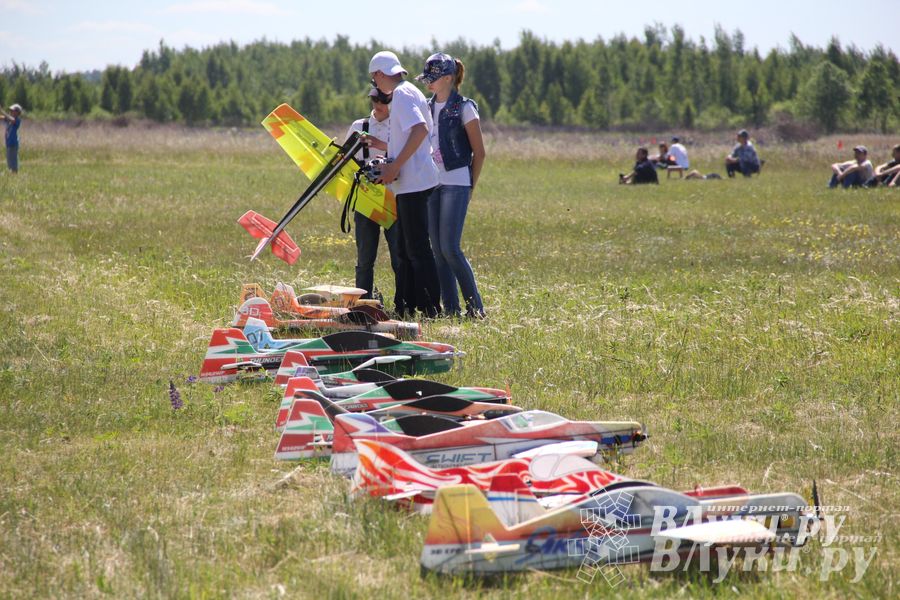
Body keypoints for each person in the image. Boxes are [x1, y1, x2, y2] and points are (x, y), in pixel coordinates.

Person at [369, 50, 442, 317]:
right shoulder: (408, 91)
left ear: (379, 75)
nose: (375, 84)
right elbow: (412, 135)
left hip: (414, 182)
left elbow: (420, 129)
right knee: (407, 248)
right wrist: (391, 161)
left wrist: (395, 166)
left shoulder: (401, 94)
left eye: (374, 78)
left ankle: (432, 308)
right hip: (410, 181)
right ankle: (407, 306)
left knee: (417, 249)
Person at [417, 52, 486, 319]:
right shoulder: (425, 106)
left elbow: (479, 153)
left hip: (456, 183)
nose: (428, 84)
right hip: (431, 184)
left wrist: (470, 187)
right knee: (437, 251)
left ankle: (476, 308)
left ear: (448, 78)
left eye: (433, 79)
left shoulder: (465, 107)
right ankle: (451, 309)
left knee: (450, 248)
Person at [344, 88, 412, 315]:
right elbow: (345, 161)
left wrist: (378, 144)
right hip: (365, 198)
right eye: (375, 99)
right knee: (364, 257)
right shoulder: (358, 126)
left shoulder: (399, 128)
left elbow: (408, 154)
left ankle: (403, 305)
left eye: (383, 100)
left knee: (399, 257)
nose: (378, 104)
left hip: (392, 198)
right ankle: (362, 306)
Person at [2, 103, 22, 173]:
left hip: (13, 144)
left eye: (12, 110)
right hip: (9, 144)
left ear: (17, 112)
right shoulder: (9, 119)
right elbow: (3, 117)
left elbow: (12, 120)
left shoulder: (17, 120)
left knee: (13, 161)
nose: (10, 112)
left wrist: (2, 111)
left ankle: (14, 173)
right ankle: (12, 173)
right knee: (9, 160)